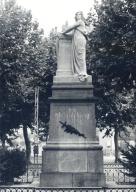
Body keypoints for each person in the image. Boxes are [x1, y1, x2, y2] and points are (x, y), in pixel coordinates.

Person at [62, 11, 88, 81]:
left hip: (80, 41)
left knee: (80, 56)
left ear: (81, 16)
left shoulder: (80, 22)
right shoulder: (76, 28)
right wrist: (63, 35)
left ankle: (83, 73)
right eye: (76, 15)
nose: (76, 16)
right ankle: (78, 72)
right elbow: (71, 34)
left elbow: (70, 27)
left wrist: (63, 32)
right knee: (77, 57)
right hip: (76, 41)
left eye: (78, 14)